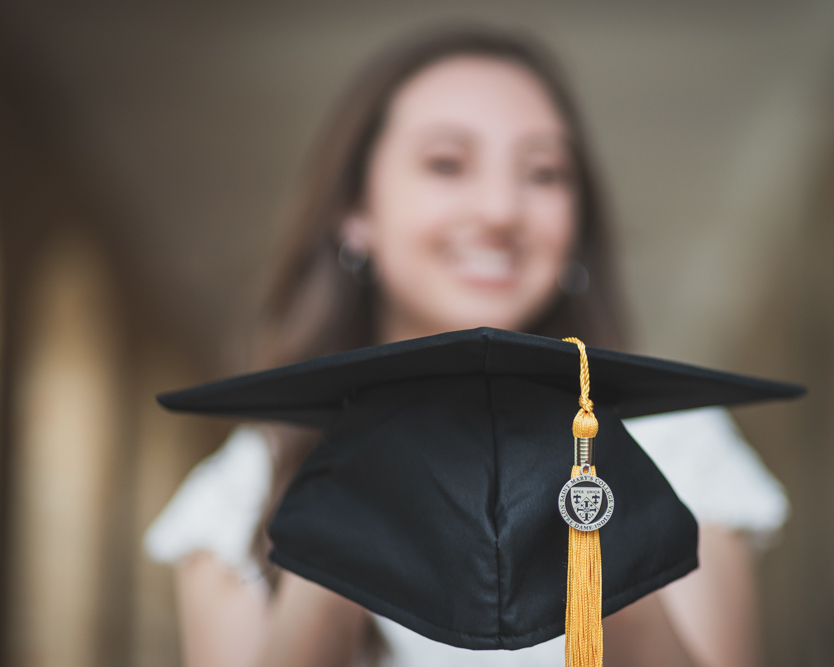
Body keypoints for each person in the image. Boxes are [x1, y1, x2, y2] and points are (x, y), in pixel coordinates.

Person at [144, 26, 788, 667]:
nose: (501, 210)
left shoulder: (681, 449)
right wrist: (331, 535)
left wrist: (611, 527)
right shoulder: (240, 496)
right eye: (446, 163)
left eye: (544, 172)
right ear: (355, 213)